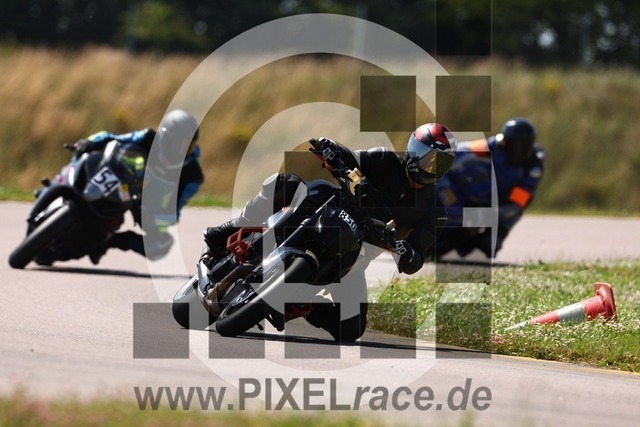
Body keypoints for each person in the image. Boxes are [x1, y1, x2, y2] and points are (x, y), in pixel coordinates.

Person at [203, 123, 457, 342]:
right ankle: (232, 229)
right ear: (414, 151)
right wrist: (332, 149)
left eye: (440, 164)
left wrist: (406, 251)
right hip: (334, 208)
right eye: (428, 158)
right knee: (289, 184)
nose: (432, 167)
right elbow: (352, 158)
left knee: (351, 329)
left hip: (356, 253)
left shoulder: (435, 211)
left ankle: (307, 305)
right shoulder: (384, 159)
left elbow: (417, 257)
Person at [71, 109, 204, 264]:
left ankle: (111, 241)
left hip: (146, 205)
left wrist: (155, 216)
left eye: (187, 146)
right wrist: (90, 142)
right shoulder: (148, 137)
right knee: (89, 153)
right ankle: (68, 183)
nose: (181, 151)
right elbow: (113, 138)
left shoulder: (193, 175)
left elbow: (173, 213)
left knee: (161, 245)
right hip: (126, 180)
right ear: (164, 136)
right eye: (176, 143)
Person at [435, 117, 544, 259]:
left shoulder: (533, 166)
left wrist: (497, 226)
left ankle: (488, 235)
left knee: (491, 242)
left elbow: (520, 200)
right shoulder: (487, 148)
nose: (519, 150)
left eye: (525, 145)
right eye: (515, 145)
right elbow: (450, 159)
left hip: (493, 206)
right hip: (460, 199)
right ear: (504, 141)